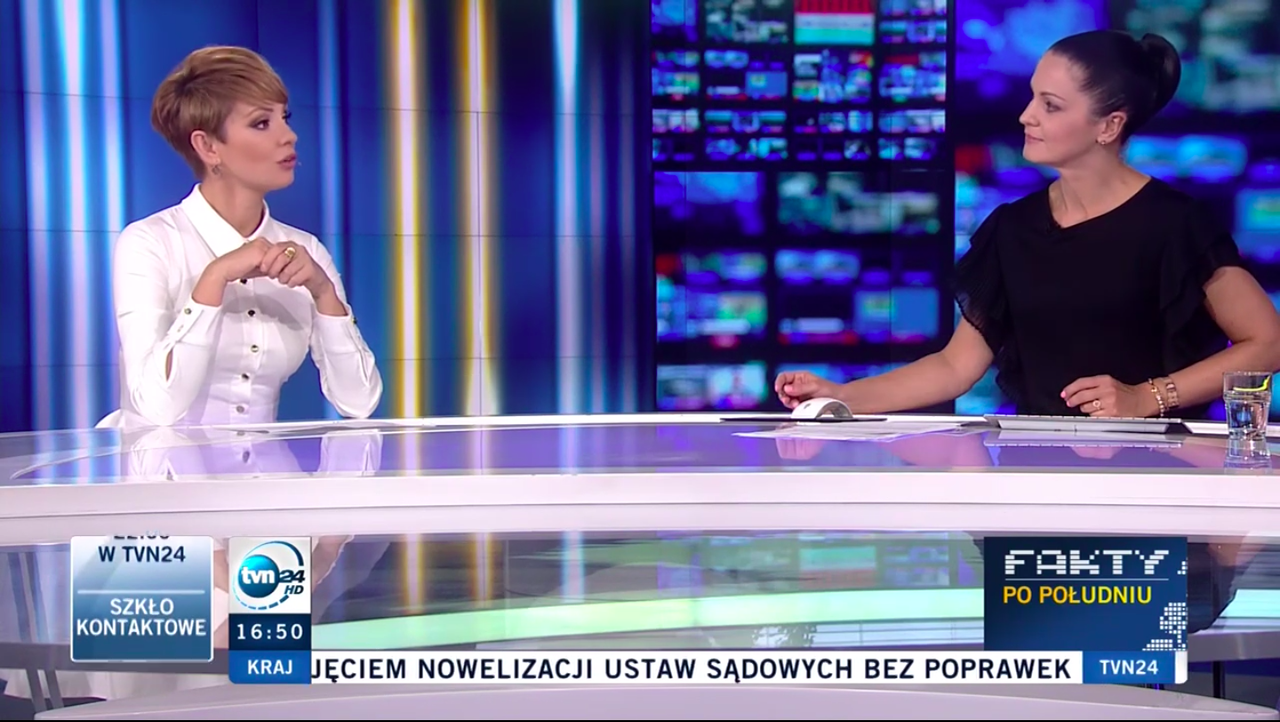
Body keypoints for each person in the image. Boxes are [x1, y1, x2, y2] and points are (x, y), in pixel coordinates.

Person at [777, 30, 1280, 420]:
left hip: (1155, 475)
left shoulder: (1175, 223)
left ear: (1109, 125)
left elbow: (1268, 343)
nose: (1026, 116)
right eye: (1032, 97)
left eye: (1050, 105)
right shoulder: (1011, 228)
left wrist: (1147, 397)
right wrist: (842, 396)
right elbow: (954, 367)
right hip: (1038, 472)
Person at [102, 46, 383, 429]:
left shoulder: (306, 250)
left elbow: (359, 402)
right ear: (208, 146)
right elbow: (156, 408)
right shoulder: (149, 242)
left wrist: (323, 293)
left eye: (285, 118)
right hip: (158, 465)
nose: (289, 136)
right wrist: (213, 279)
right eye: (262, 123)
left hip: (264, 465)